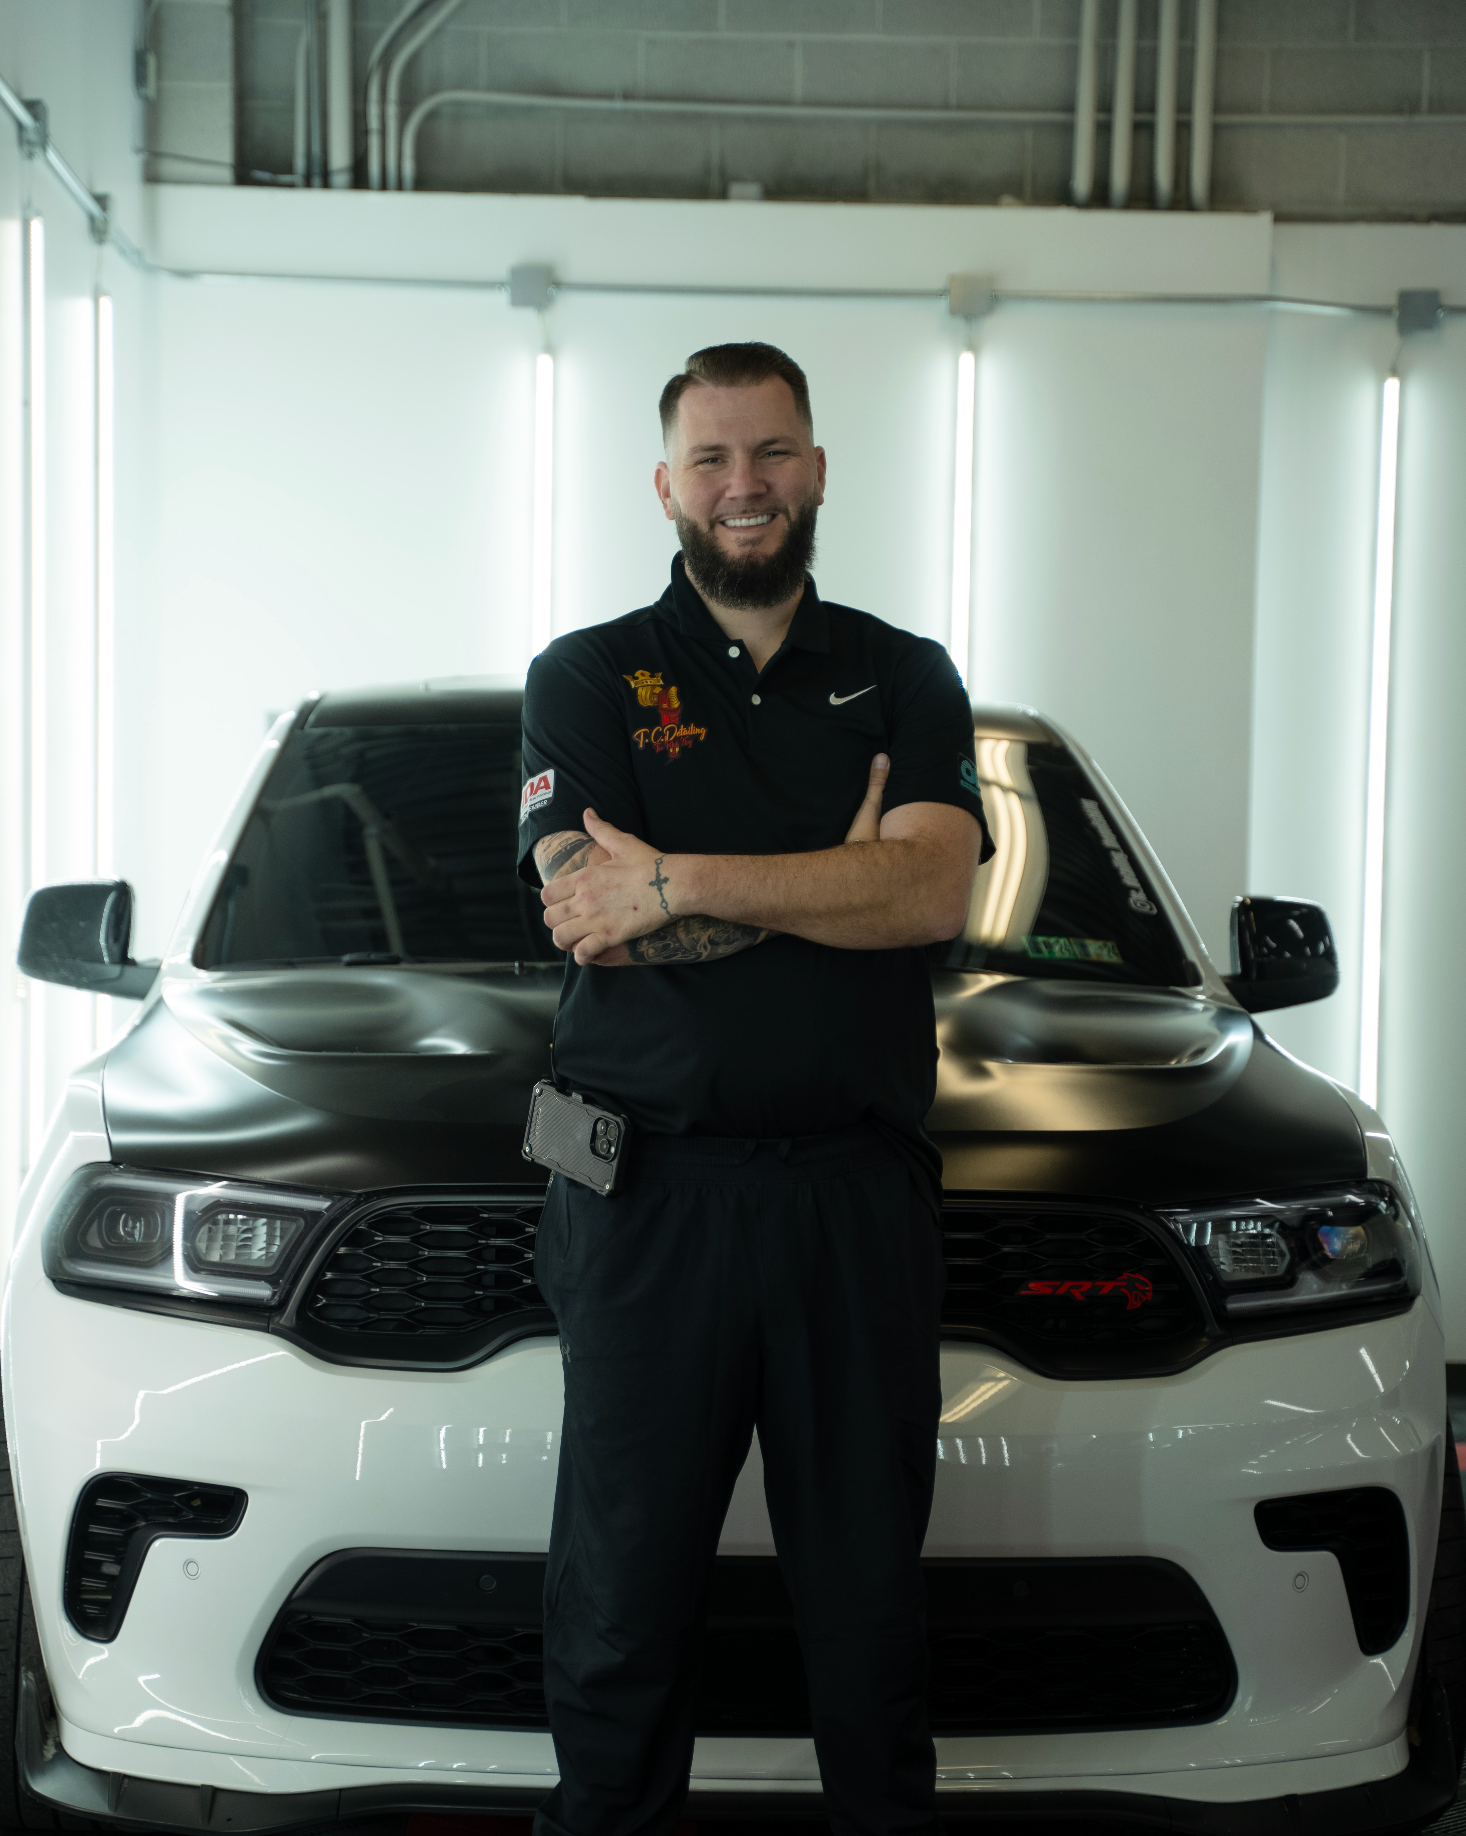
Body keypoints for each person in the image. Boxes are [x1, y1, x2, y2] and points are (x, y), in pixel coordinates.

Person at [516, 341, 992, 1836]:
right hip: (637, 1191)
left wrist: (682, 877)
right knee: (620, 1601)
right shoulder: (586, 676)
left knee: (868, 1611)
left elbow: (929, 897)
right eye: (712, 458)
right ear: (665, 483)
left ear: (817, 467)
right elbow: (587, 904)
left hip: (855, 1200)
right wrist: (828, 873)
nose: (744, 485)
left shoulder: (902, 671)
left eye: (771, 452)